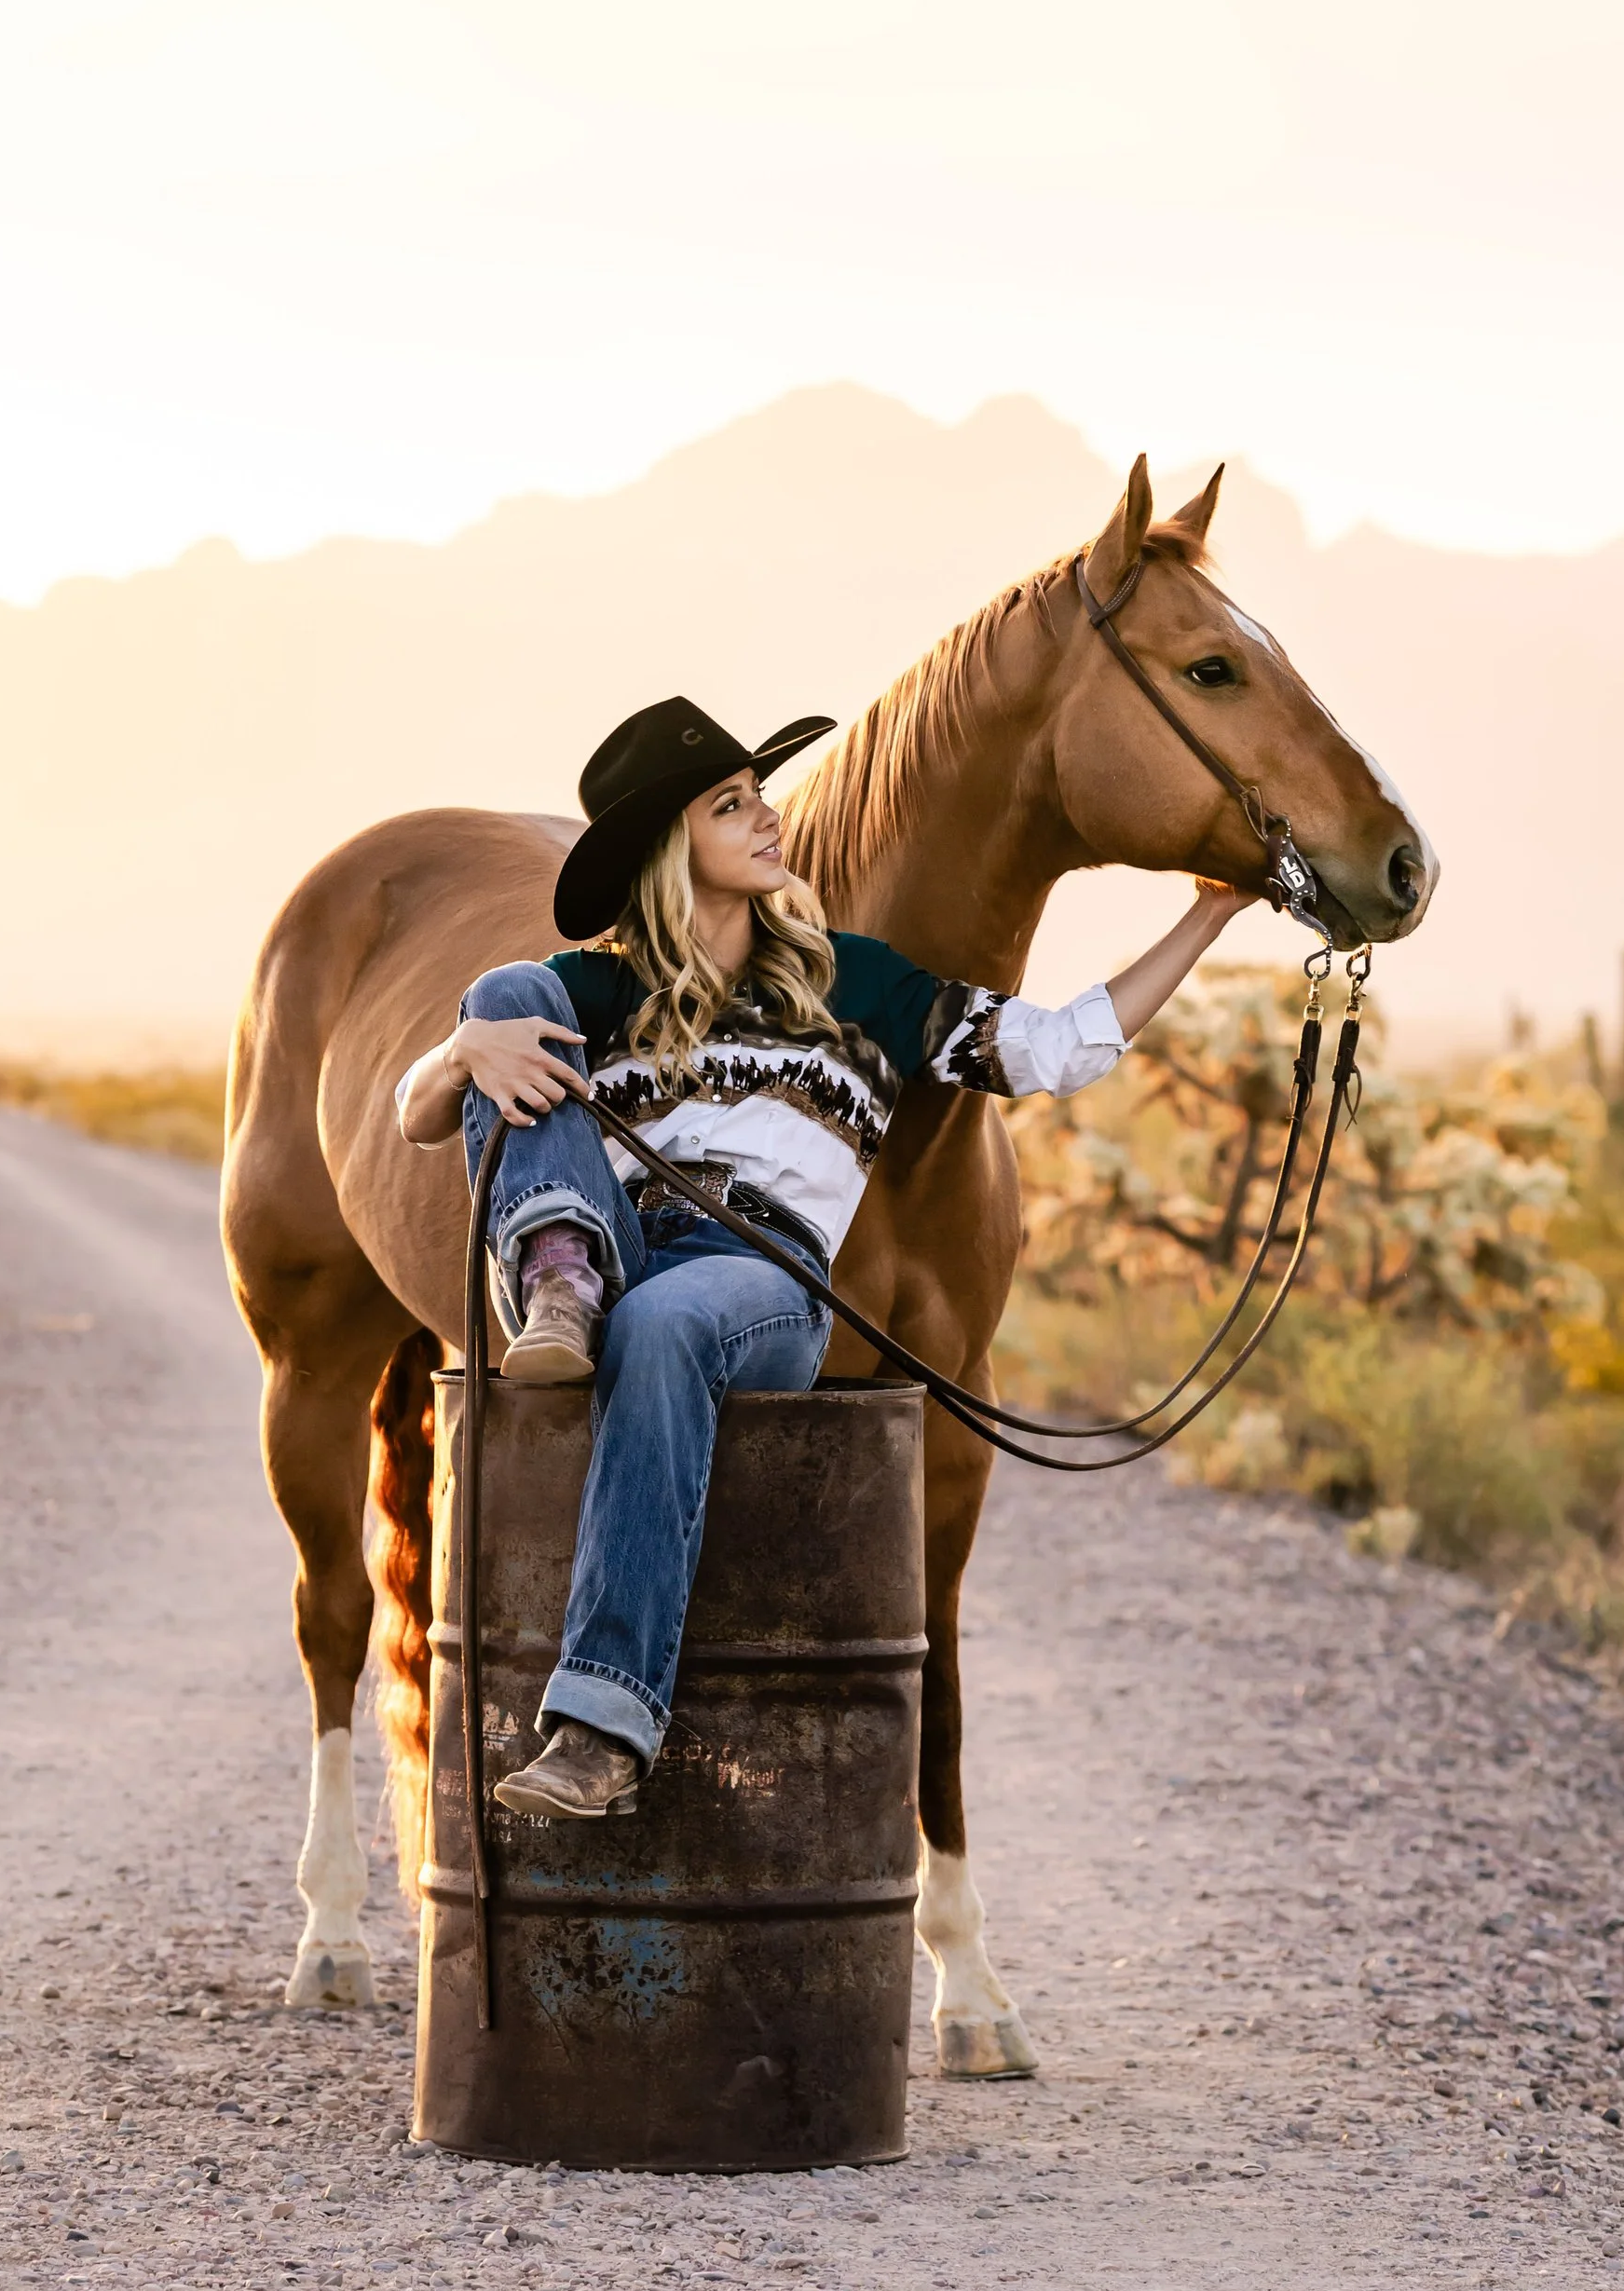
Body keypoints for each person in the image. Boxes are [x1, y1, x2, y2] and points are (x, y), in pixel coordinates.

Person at [395, 693, 1254, 1821]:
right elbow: (417, 1113)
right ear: (671, 848)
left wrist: (1207, 918)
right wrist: (462, 1047)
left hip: (759, 1278)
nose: (769, 819)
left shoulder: (855, 982)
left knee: (664, 1322)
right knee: (505, 995)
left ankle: (602, 1726)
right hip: (612, 1239)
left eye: (761, 796)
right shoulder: (597, 991)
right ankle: (559, 1275)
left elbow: (1052, 1048)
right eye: (732, 805)